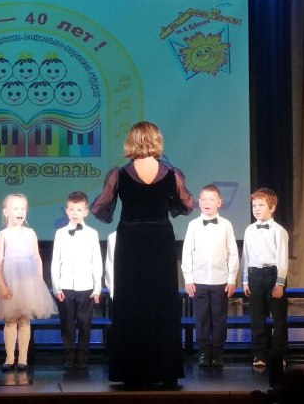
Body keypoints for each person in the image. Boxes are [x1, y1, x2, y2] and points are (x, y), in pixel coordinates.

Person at [90, 120, 195, 388]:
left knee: (131, 301)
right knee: (162, 302)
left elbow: (100, 208)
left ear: (131, 141)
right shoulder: (172, 173)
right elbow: (186, 205)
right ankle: (166, 371)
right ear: (157, 140)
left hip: (131, 240)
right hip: (160, 239)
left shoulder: (119, 174)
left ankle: (132, 371)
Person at [0, 193, 56, 371]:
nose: (20, 212)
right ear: (6, 212)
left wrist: (38, 282)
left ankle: (23, 358)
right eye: (15, 208)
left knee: (24, 320)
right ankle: (9, 358)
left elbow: (37, 258)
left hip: (28, 281)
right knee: (10, 320)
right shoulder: (3, 234)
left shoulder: (30, 233)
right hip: (10, 280)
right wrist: (2, 285)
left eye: (23, 208)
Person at [182, 184, 239, 368]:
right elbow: (187, 253)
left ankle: (217, 353)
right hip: (199, 281)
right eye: (204, 199)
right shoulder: (193, 225)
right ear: (199, 203)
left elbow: (233, 253)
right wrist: (188, 279)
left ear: (219, 203)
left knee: (219, 319)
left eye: (211, 199)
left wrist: (231, 279)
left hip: (219, 281)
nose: (207, 203)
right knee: (202, 320)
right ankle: (204, 352)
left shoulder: (226, 225)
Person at [51, 191, 103, 371]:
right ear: (67, 211)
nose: (75, 213)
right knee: (67, 324)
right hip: (65, 285)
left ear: (86, 211)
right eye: (72, 209)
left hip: (86, 286)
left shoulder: (92, 234)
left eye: (79, 210)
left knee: (85, 324)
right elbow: (55, 261)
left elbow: (96, 262)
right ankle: (68, 356)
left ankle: (82, 358)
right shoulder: (60, 234)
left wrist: (97, 288)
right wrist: (56, 287)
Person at [242, 187, 289, 369]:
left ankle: (278, 353)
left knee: (278, 318)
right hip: (255, 275)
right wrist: (245, 279)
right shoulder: (249, 230)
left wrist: (280, 283)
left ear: (272, 207)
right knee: (257, 317)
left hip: (273, 274)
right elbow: (246, 256)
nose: (256, 209)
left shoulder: (279, 230)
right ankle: (259, 354)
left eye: (261, 205)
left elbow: (282, 258)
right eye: (254, 205)